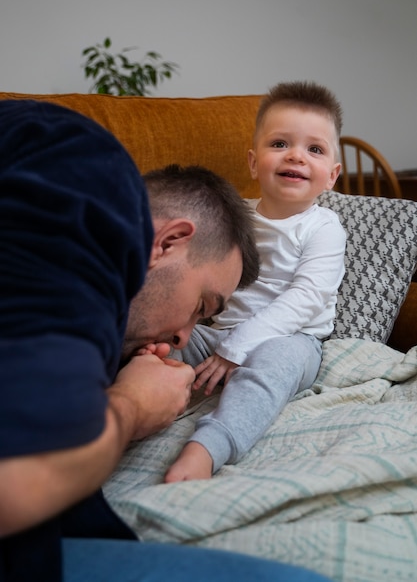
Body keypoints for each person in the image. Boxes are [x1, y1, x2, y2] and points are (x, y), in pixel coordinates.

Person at [0, 99, 332, 582]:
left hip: (295, 338)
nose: (182, 335)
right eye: (202, 305)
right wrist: (132, 407)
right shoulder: (87, 196)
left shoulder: (323, 228)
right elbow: (23, 482)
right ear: (169, 242)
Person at [165, 80, 347, 483]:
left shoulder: (323, 227)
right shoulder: (235, 216)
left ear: (331, 175)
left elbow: (307, 297)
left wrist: (238, 348)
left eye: (314, 149)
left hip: (293, 341)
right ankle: (127, 393)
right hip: (220, 335)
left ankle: (210, 447)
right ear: (253, 162)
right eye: (280, 144)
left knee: (271, 367)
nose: (296, 156)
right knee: (165, 337)